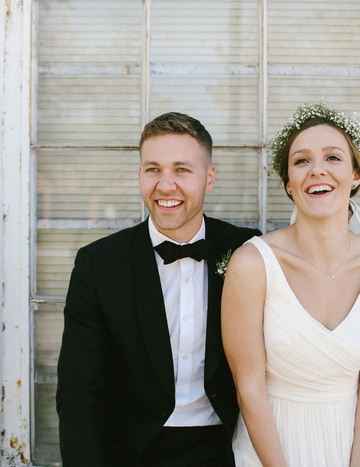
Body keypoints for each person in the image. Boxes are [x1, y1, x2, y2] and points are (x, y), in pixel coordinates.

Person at [222, 102, 360, 467]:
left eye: (333, 158)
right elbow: (250, 389)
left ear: (355, 175)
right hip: (271, 446)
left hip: (352, 445)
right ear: (288, 183)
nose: (316, 171)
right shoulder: (252, 264)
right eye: (302, 161)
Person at [56, 112, 260, 466]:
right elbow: (79, 394)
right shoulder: (98, 264)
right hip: (133, 451)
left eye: (182, 169)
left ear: (209, 178)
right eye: (153, 169)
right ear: (139, 175)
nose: (165, 186)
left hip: (230, 448)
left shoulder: (249, 251)